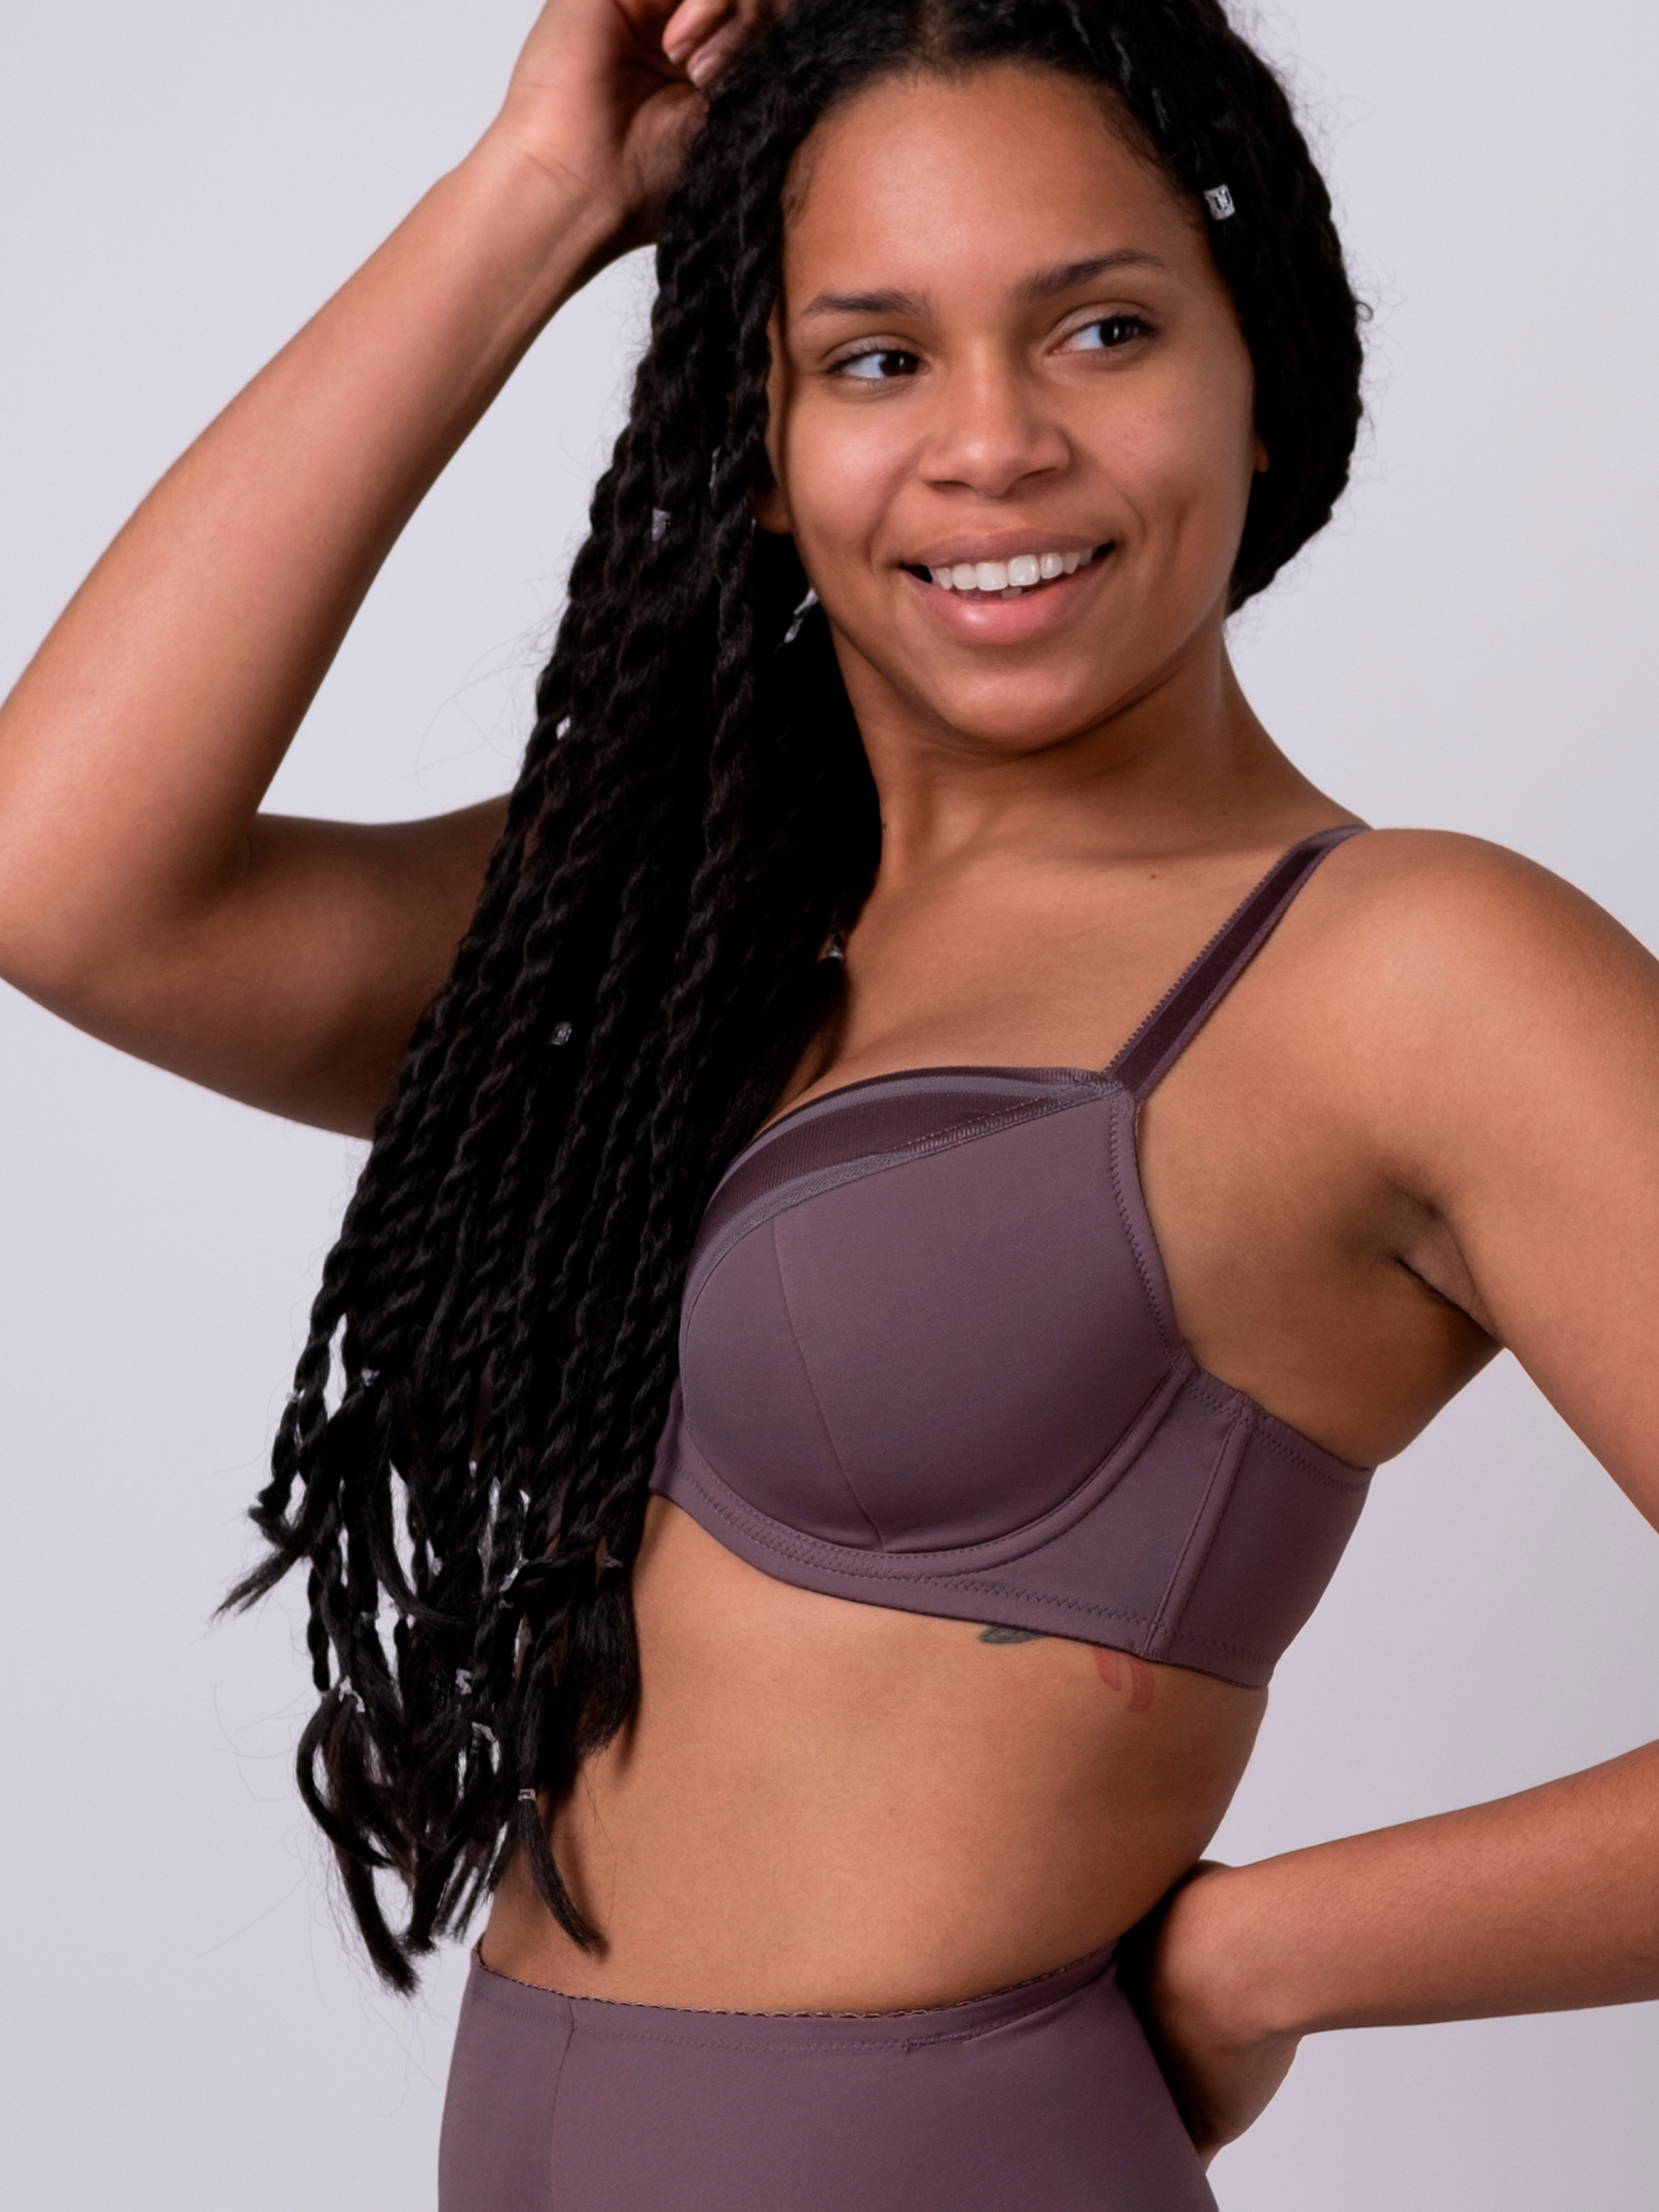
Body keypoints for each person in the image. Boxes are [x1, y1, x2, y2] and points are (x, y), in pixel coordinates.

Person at [2, 0, 1658, 2204]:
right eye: (874, 357)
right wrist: (537, 193)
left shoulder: (1408, 974)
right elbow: (70, 883)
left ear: (1259, 376)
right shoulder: (671, 928)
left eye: (1099, 330)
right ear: (756, 439)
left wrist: (1268, 1955)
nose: (992, 445)